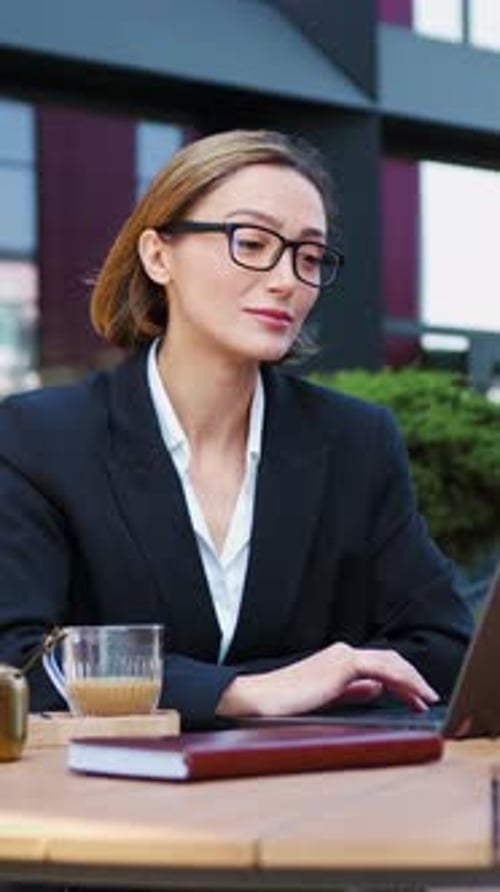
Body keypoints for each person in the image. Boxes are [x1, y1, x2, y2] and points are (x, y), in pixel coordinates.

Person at [0, 128, 472, 730]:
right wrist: (243, 692)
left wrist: (298, 682)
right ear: (158, 255)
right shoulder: (41, 438)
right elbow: (17, 662)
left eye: (308, 256)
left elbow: (443, 648)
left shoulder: (356, 441)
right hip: (111, 806)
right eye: (251, 242)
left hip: (310, 802)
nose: (287, 280)